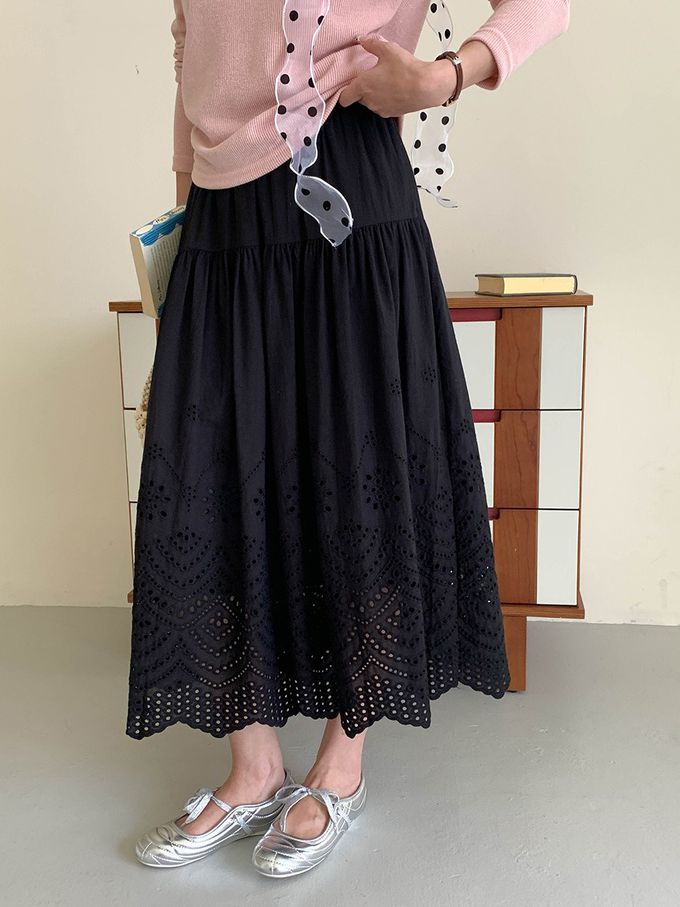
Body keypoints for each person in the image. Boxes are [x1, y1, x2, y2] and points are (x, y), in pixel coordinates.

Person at [129, 0, 570, 879]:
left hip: (351, 189)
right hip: (219, 219)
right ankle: (253, 766)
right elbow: (192, 49)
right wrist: (182, 232)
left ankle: (343, 759)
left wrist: (443, 77)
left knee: (358, 472)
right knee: (217, 482)